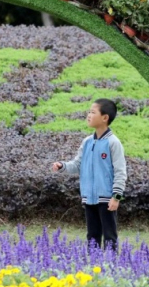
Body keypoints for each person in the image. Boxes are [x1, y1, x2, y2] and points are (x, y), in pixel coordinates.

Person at [52, 98, 127, 251]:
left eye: (93, 112)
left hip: (107, 198)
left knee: (109, 236)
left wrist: (116, 196)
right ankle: (94, 267)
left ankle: (111, 268)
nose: (88, 115)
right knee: (92, 236)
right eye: (89, 112)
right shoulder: (87, 142)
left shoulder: (113, 143)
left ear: (105, 118)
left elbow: (120, 172)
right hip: (89, 198)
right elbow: (77, 165)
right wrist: (62, 166)